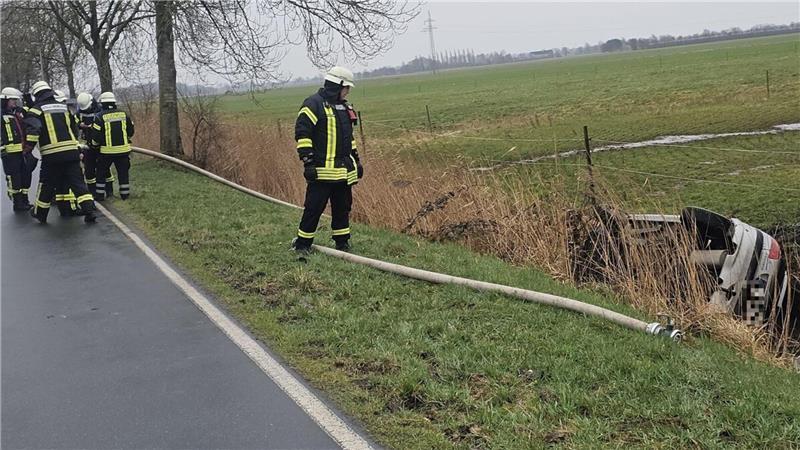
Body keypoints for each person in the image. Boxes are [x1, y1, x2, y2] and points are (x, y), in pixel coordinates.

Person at [292, 66, 364, 254]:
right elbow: (303, 134)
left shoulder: (345, 107)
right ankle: (302, 245)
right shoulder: (313, 104)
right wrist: (308, 162)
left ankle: (342, 243)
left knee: (342, 208)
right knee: (313, 209)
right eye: (346, 87)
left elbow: (349, 138)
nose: (347, 91)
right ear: (337, 85)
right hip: (321, 172)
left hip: (343, 172)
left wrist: (357, 161)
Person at [24, 81, 96, 223]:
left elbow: (33, 131)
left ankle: (40, 213)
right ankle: (89, 211)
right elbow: (74, 129)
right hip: (71, 153)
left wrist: (28, 149)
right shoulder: (64, 108)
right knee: (78, 183)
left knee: (46, 185)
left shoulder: (36, 110)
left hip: (52, 156)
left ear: (37, 95)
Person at [91, 91, 134, 200]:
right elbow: (131, 131)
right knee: (123, 174)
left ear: (102, 104)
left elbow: (96, 136)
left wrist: (94, 146)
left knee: (101, 174)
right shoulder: (124, 114)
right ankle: (125, 195)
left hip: (106, 152)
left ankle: (100, 196)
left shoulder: (99, 117)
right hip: (123, 152)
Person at [1, 87, 31, 211]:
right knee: (14, 179)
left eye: (15, 100)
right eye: (12, 100)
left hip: (21, 150)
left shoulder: (17, 112)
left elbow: (32, 110)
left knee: (25, 176)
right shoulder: (1, 114)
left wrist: (27, 97)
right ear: (5, 100)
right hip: (9, 152)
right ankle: (17, 203)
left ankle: (25, 200)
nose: (15, 102)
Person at [52, 90, 79, 216]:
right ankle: (72, 207)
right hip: (69, 152)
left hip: (54, 154)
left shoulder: (49, 114)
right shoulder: (66, 113)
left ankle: (63, 208)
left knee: (60, 181)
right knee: (71, 180)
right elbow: (74, 131)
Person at [76, 92, 101, 195]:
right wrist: (80, 125)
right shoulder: (80, 112)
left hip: (99, 144)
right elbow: (75, 123)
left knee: (102, 169)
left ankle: (106, 191)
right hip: (86, 145)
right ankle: (92, 192)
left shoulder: (99, 111)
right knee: (89, 169)